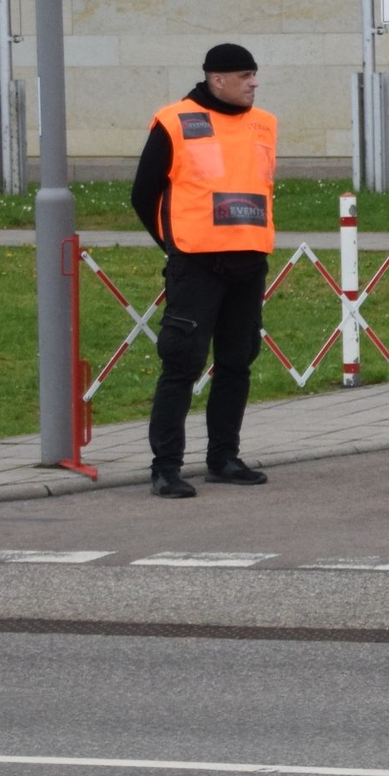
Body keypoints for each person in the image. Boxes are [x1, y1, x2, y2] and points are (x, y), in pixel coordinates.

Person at [132, 44, 276, 499]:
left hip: (249, 263)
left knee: (237, 362)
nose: (254, 83)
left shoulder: (263, 124)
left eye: (255, 75)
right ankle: (166, 468)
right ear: (218, 79)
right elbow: (143, 194)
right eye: (245, 75)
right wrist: (175, 246)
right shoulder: (175, 121)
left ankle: (224, 459)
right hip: (196, 266)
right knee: (181, 365)